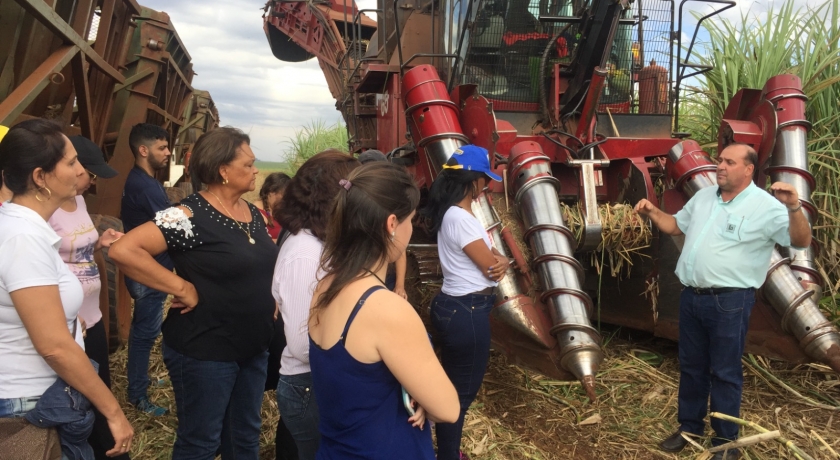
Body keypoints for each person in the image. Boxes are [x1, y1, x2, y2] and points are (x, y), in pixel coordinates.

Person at [109, 127, 278, 459]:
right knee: (201, 442)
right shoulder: (187, 213)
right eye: (248, 164)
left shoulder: (253, 214)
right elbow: (124, 250)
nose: (256, 170)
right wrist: (180, 286)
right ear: (222, 171)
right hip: (206, 350)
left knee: (244, 437)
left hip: (253, 347)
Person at [636, 143, 812, 460]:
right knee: (692, 367)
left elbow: (800, 241)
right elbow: (675, 225)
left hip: (729, 302)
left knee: (725, 372)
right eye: (720, 160)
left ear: (748, 169)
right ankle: (689, 429)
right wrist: (652, 212)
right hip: (692, 297)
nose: (720, 166)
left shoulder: (766, 206)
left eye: (729, 162)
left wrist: (795, 207)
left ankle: (726, 444)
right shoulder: (704, 197)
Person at [0, 119, 133, 457]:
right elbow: (54, 346)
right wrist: (113, 412)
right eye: (71, 162)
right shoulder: (24, 239)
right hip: (30, 407)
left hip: (39, 397)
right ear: (40, 177)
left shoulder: (26, 229)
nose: (80, 171)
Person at [308, 162, 459, 458]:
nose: (412, 228)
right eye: (411, 219)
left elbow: (358, 383)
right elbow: (448, 409)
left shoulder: (325, 287)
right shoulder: (386, 310)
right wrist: (422, 395)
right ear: (392, 224)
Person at [422, 145, 509, 460]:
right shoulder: (460, 218)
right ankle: (446, 454)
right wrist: (503, 263)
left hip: (456, 307)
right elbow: (492, 266)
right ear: (472, 182)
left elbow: (494, 260)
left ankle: (442, 447)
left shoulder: (458, 214)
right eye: (484, 179)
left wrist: (501, 261)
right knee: (459, 395)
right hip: (467, 311)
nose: (486, 185)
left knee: (449, 386)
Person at [272, 150, 360, 459]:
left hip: (322, 379)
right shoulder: (304, 254)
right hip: (307, 385)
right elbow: (300, 343)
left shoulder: (322, 244)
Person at [48, 135, 127, 460]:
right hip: (65, 325)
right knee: (80, 400)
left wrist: (99, 242)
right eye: (84, 170)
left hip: (91, 319)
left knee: (99, 389)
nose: (90, 179)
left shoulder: (78, 201)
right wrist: (61, 312)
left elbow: (75, 250)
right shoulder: (42, 209)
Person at [120, 123, 172, 416]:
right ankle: (137, 395)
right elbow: (172, 225)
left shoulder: (145, 182)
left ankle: (141, 381)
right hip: (147, 272)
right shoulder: (144, 185)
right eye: (161, 148)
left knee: (148, 330)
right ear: (143, 150)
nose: (167, 153)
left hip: (149, 269)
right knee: (144, 332)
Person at [356, 149, 408, 299]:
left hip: (385, 276)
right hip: (361, 276)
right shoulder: (355, 203)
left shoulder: (390, 201)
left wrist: (399, 286)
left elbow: (399, 247)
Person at [254, 172, 290, 241]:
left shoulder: (282, 210)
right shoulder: (255, 213)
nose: (286, 200)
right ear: (271, 192)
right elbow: (261, 242)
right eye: (283, 196)